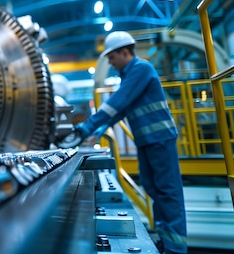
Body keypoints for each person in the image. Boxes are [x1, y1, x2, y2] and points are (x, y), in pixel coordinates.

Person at [74, 31, 187, 254]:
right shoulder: (130, 75)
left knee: (168, 192)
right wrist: (99, 129)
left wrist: (87, 126)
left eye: (112, 58)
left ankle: (176, 249)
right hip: (148, 141)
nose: (111, 63)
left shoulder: (141, 69)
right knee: (154, 188)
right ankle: (166, 239)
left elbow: (119, 101)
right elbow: (122, 108)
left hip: (160, 139)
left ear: (124, 52)